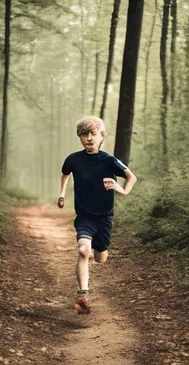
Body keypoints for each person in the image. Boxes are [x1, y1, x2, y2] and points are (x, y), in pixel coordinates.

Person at [57, 116, 137, 314]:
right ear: (80, 138)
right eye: (84, 135)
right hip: (84, 216)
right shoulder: (73, 159)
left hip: (104, 218)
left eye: (93, 134)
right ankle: (82, 295)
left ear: (101, 137)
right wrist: (61, 194)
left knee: (101, 257)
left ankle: (99, 250)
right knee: (84, 250)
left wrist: (121, 189)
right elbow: (65, 174)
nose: (89, 138)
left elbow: (131, 177)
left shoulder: (109, 161)